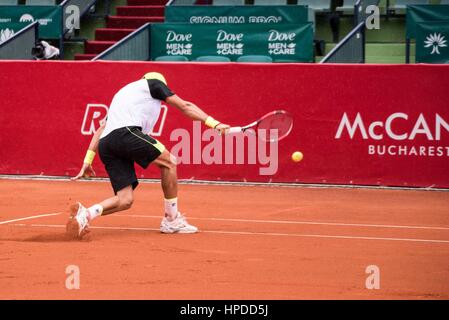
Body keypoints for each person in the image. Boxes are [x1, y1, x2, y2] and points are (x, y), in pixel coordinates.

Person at [67, 72, 230, 238]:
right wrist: (214, 124)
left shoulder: (124, 95)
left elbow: (101, 129)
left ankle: (85, 215)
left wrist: (87, 160)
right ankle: (171, 220)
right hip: (125, 133)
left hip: (106, 144)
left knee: (125, 200)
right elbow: (185, 106)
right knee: (169, 162)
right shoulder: (153, 84)